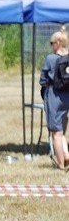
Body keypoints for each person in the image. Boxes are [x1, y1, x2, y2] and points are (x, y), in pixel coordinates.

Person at [39, 28, 69, 172]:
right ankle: (66, 154)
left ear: (57, 43)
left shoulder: (51, 59)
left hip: (54, 96)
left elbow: (43, 79)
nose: (51, 45)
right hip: (67, 96)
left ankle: (61, 165)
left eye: (52, 43)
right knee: (62, 129)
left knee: (56, 132)